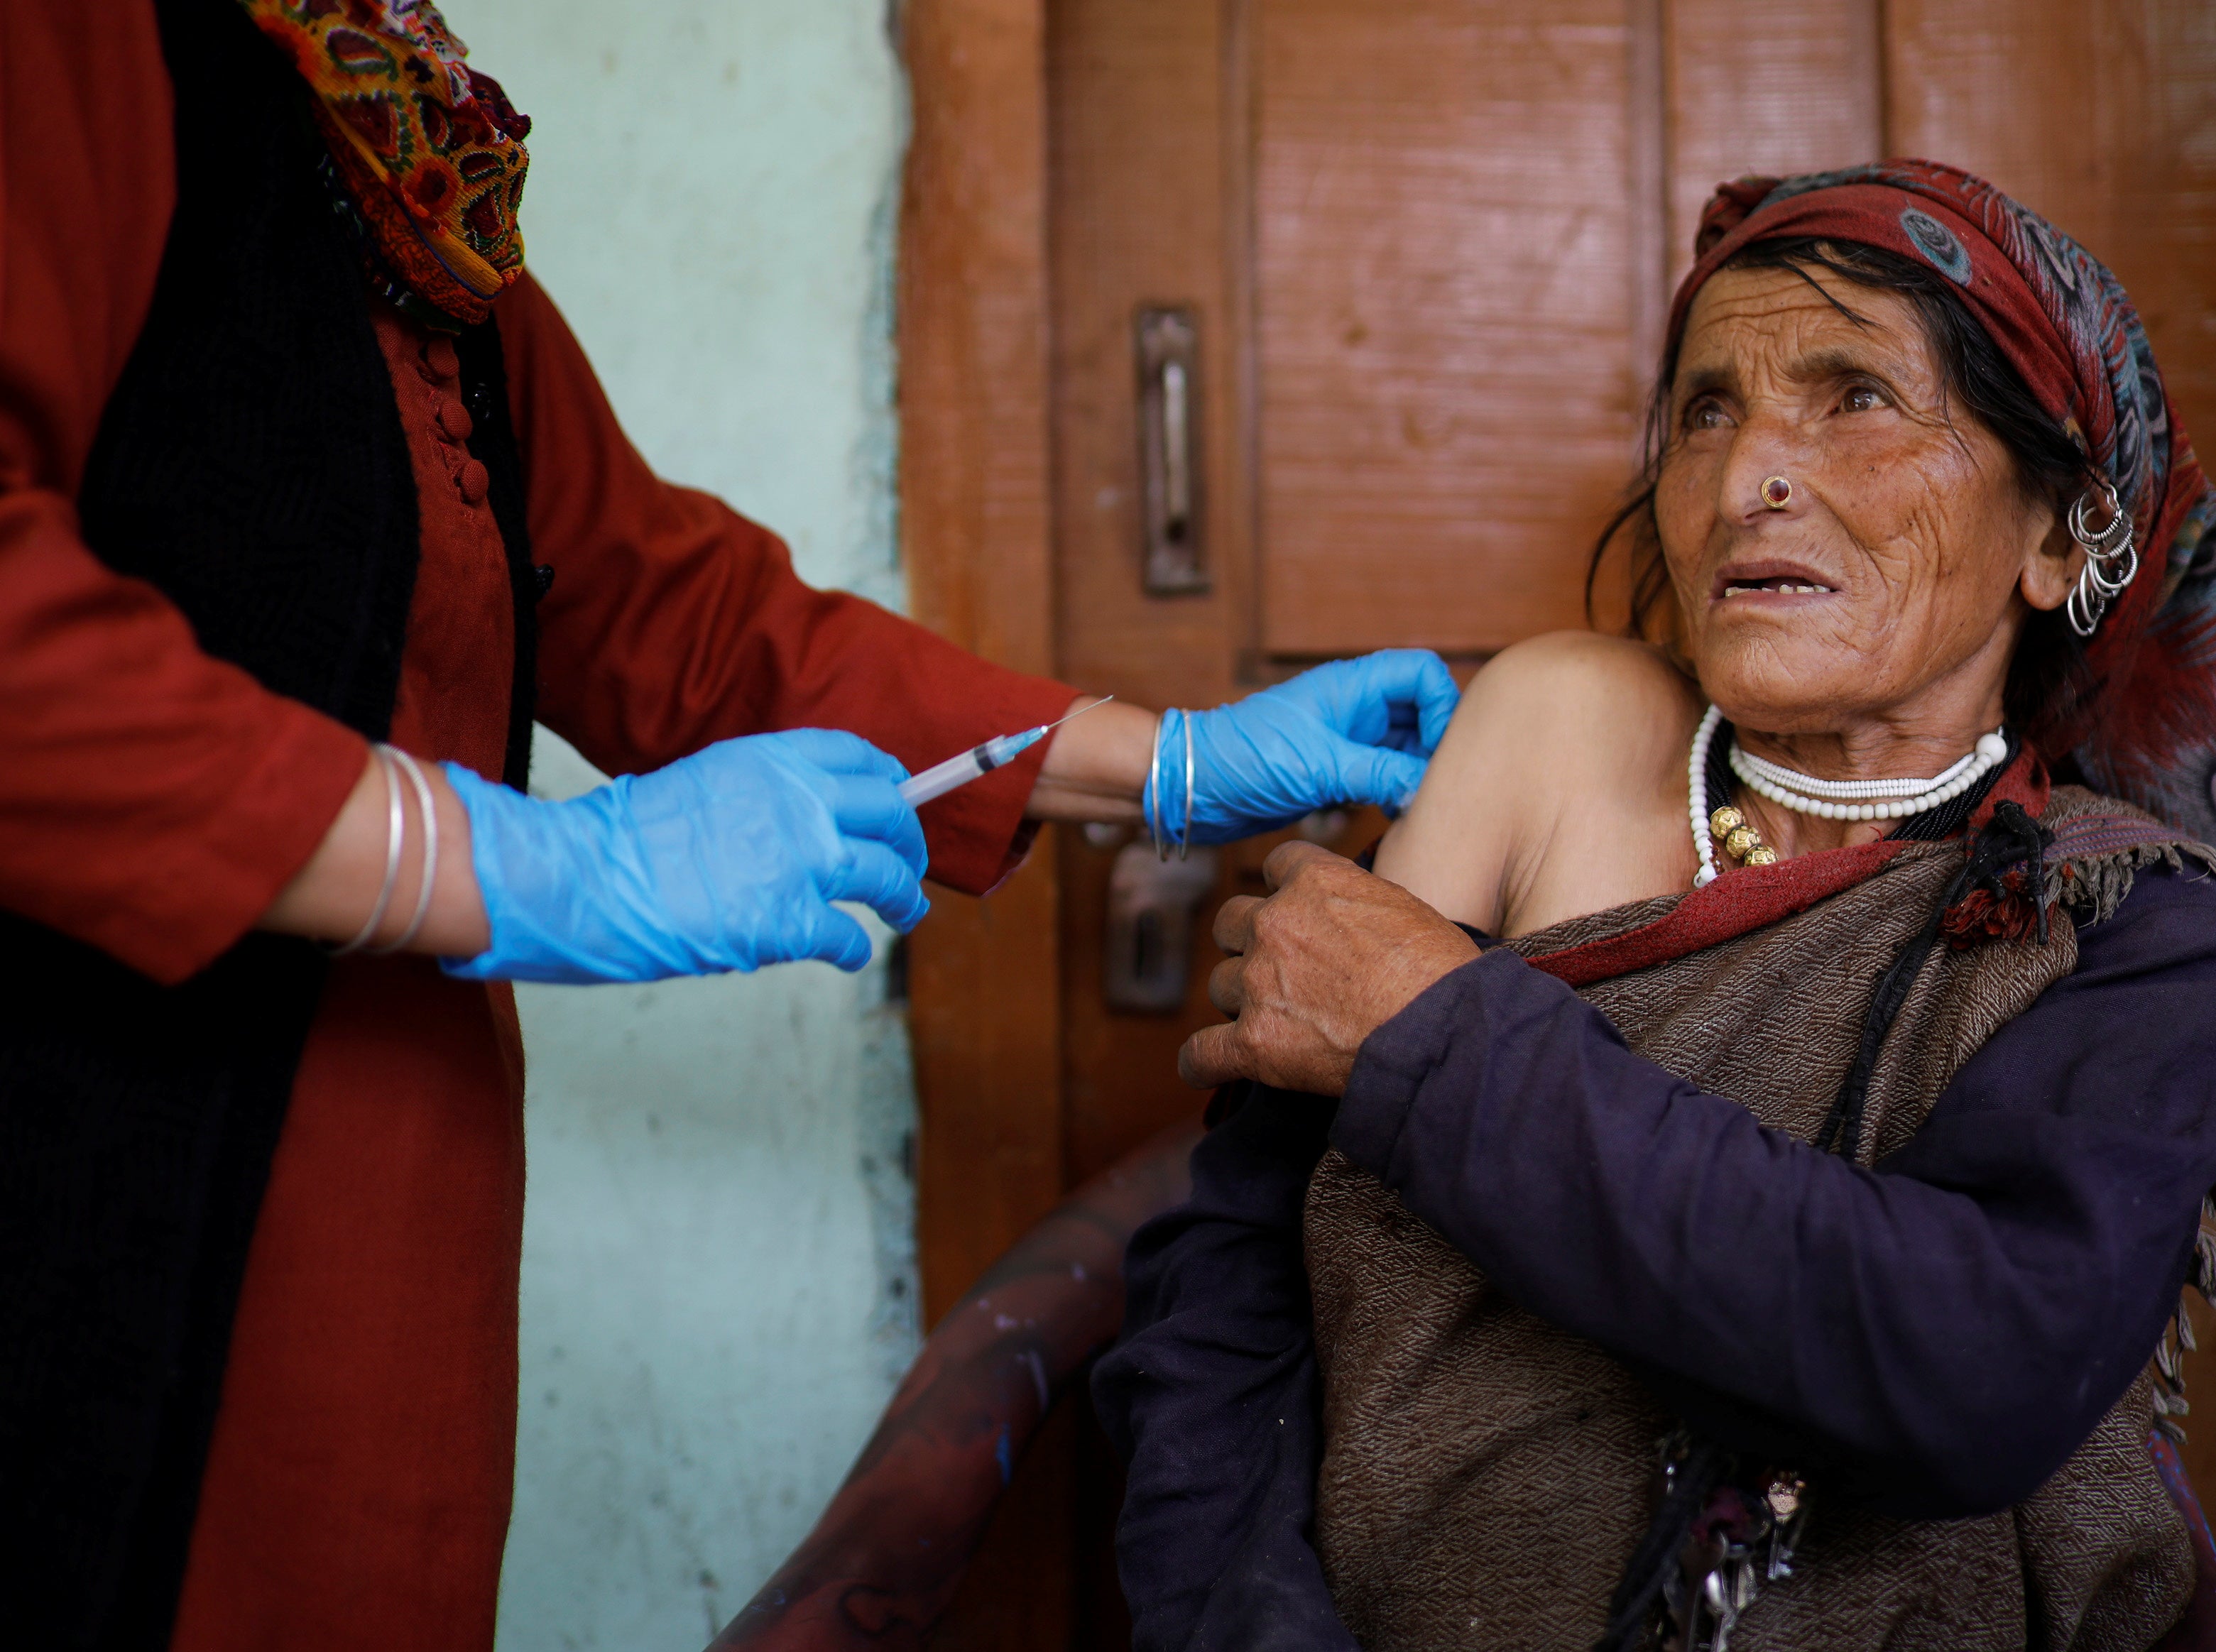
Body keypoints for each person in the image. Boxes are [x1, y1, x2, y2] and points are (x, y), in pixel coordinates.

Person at [0, 6, 1456, 1650]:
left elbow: (660, 608)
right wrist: (511, 863)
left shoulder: (372, 127)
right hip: (105, 1172)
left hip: (386, 1231)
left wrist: (1163, 762)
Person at [1096, 161, 2216, 1651]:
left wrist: (1435, 1036)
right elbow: (1234, 1289)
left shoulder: (2142, 930)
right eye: (1707, 412)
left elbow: (1965, 1373)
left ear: (2057, 533)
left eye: (1855, 396)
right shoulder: (1558, 727)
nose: (1742, 486)